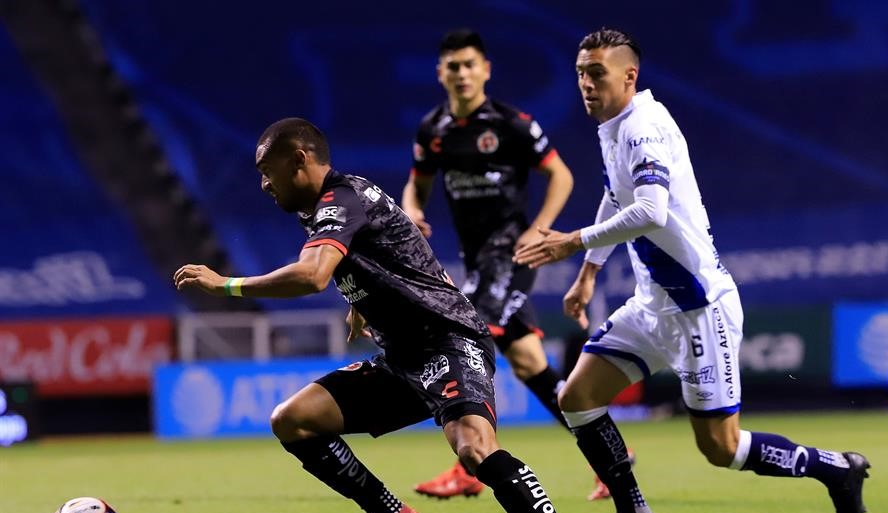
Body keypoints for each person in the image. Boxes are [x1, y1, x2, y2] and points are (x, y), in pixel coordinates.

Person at [513, 28, 871, 513]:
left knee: (721, 449)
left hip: (701, 310)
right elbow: (616, 195)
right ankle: (634, 507)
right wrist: (589, 272)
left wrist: (573, 243)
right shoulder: (615, 126)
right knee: (576, 398)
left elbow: (652, 211)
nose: (585, 84)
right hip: (652, 305)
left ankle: (834, 468)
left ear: (629, 75)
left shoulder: (642, 127)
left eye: (597, 73)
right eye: (580, 73)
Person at [174, 117, 559, 513]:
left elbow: (312, 275)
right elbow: (389, 252)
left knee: (474, 448)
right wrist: (360, 302)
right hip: (402, 358)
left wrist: (227, 285)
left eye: (267, 172)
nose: (264, 185)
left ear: (299, 160)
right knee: (293, 420)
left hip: (447, 341)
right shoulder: (323, 208)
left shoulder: (340, 199)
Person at [402, 28, 626, 501]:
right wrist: (413, 212)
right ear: (441, 73)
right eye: (453, 66)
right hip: (476, 259)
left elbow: (560, 176)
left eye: (469, 64)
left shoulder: (512, 124)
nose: (462, 73)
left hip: (511, 253)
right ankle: (610, 458)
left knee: (466, 336)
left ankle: (469, 465)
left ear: (485, 69)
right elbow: (416, 184)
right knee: (528, 363)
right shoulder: (433, 129)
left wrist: (539, 228)